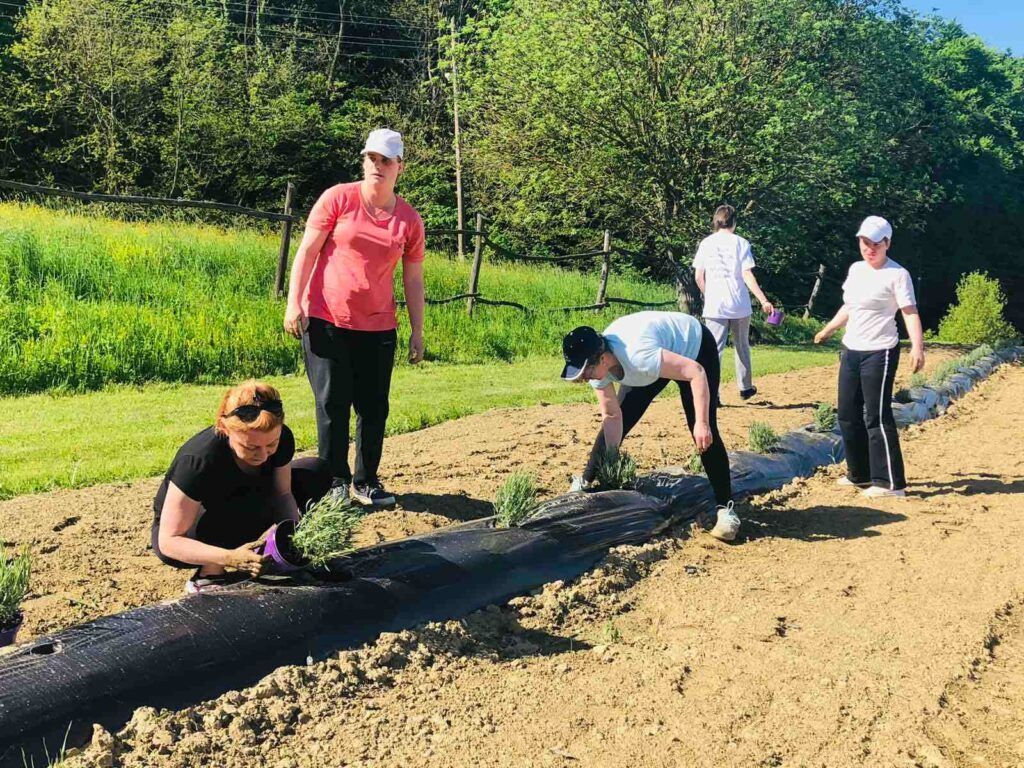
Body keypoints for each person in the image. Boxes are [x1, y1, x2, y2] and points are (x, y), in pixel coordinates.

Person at [284, 128, 426, 507]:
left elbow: (413, 279)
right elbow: (307, 253)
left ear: (400, 167)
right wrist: (293, 302)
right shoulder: (338, 199)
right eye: (372, 159)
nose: (378, 166)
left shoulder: (409, 220)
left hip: (378, 325)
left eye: (386, 161)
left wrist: (417, 330)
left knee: (374, 406)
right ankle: (332, 482)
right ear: (364, 161)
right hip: (327, 317)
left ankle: (366, 481)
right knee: (332, 402)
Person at [560, 311, 741, 541]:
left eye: (585, 370)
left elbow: (696, 372)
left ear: (603, 359)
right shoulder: (602, 369)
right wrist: (610, 461)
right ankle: (583, 482)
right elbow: (612, 416)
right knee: (623, 417)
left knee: (703, 431)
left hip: (694, 346)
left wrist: (702, 423)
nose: (583, 377)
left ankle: (726, 508)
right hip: (656, 351)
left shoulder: (638, 356)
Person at [152, 381, 332, 593]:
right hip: (194, 528)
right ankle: (209, 574)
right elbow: (169, 541)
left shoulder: (282, 439)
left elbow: (283, 495)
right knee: (242, 502)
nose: (263, 454)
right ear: (224, 428)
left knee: (316, 471)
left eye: (271, 444)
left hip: (247, 498)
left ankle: (266, 554)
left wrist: (293, 538)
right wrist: (230, 558)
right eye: (251, 447)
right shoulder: (198, 460)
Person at [814, 215, 925, 498]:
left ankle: (890, 483)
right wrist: (828, 329)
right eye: (865, 242)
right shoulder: (855, 270)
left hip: (881, 350)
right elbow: (849, 306)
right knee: (847, 414)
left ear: (887, 243)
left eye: (876, 243)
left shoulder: (897, 275)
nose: (870, 248)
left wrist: (917, 347)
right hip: (852, 348)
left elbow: (909, 312)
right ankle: (859, 474)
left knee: (876, 416)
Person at [693, 204, 775, 401]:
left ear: (716, 221)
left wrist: (708, 294)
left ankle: (713, 393)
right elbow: (746, 274)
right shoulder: (741, 243)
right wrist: (763, 299)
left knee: (713, 351)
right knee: (742, 346)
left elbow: (698, 276)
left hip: (715, 305)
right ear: (734, 222)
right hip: (739, 303)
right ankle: (745, 387)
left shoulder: (706, 243)